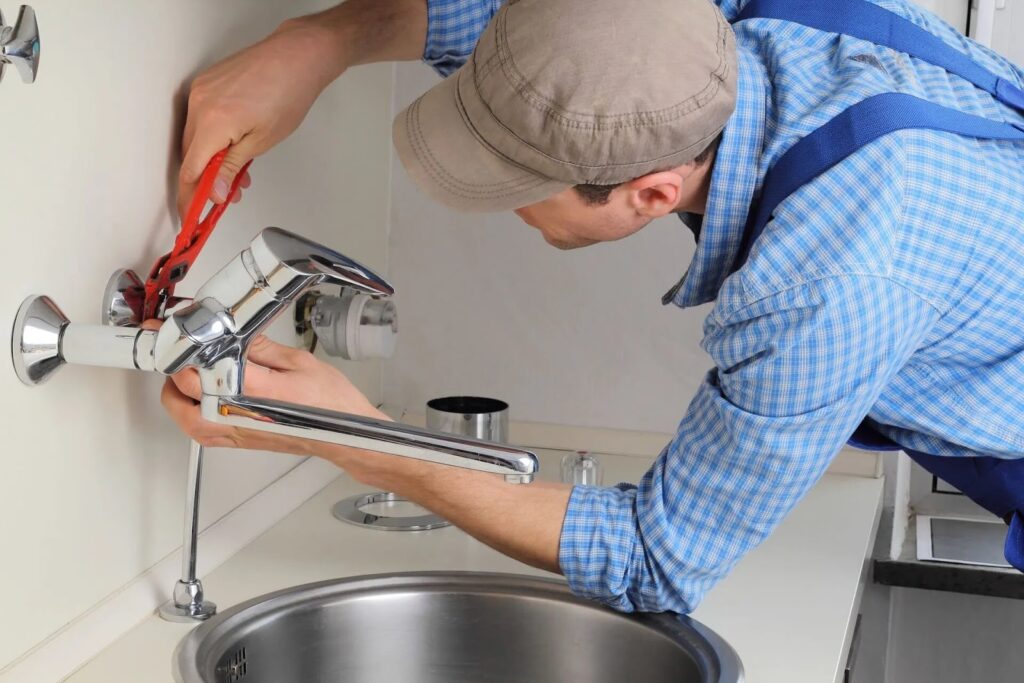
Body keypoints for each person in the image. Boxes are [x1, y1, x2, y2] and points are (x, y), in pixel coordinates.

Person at [165, 0, 1024, 614]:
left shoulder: (828, 278)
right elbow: (545, 40)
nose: (504, 207)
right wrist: (319, 39)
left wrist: (345, 436)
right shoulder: (724, 27)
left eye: (517, 188)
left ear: (651, 194)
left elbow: (655, 558)